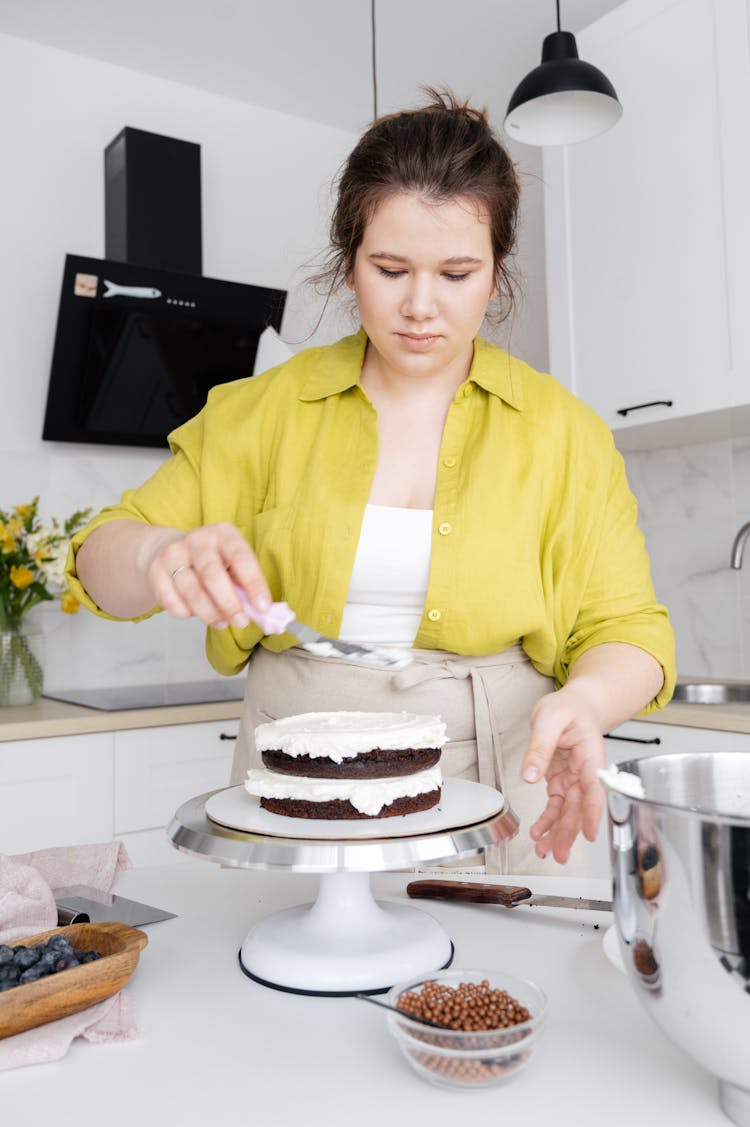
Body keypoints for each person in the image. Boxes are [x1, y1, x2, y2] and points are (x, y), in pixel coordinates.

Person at [66, 89, 675, 874]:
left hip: (502, 783)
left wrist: (587, 701)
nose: (421, 306)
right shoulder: (261, 412)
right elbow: (97, 564)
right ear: (348, 262)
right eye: (391, 269)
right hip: (290, 798)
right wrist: (155, 554)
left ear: (497, 274)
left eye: (457, 272)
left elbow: (633, 630)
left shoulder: (565, 433)